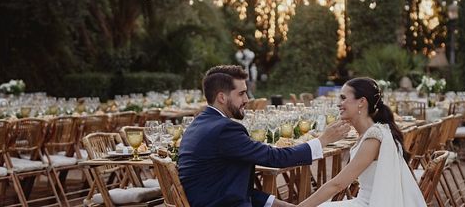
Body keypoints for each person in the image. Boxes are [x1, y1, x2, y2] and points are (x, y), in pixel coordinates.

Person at [178, 65, 351, 207]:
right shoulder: (224, 129)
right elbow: (274, 157)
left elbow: (224, 187)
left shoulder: (199, 123)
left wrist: (278, 204)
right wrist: (323, 140)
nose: (247, 99)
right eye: (241, 93)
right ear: (222, 97)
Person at [297, 78, 426, 207]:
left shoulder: (373, 138)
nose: (338, 103)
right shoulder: (373, 132)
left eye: (343, 98)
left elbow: (338, 184)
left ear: (361, 102)